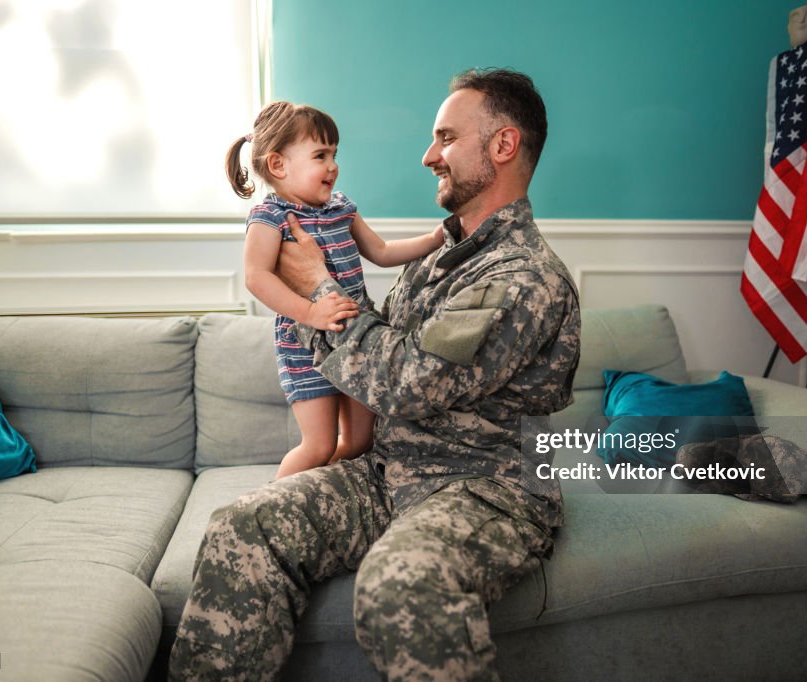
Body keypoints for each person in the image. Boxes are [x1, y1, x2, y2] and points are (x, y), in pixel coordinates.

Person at [170, 68, 581, 681]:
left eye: (445, 138)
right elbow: (380, 339)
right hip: (388, 474)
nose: (427, 156)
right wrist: (319, 301)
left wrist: (315, 286)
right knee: (243, 525)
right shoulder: (448, 254)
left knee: (401, 584)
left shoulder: (520, 277)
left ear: (502, 146)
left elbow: (406, 384)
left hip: (480, 488)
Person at [225, 101, 444, 478]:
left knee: (360, 441)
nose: (333, 166)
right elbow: (256, 276)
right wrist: (312, 313)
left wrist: (437, 237)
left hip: (359, 337)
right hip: (305, 341)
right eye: (320, 155)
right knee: (320, 445)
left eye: (334, 154)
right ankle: (277, 505)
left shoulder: (341, 208)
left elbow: (382, 251)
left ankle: (320, 490)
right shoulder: (270, 217)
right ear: (278, 165)